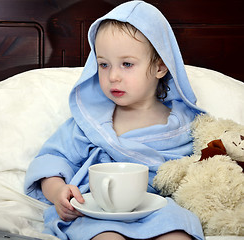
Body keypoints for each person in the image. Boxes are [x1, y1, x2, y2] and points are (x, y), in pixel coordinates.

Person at [24, 1, 205, 239]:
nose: (113, 76)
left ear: (160, 66)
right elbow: (51, 160)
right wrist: (58, 191)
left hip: (157, 208)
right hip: (99, 209)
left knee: (178, 229)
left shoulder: (186, 124)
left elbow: (207, 167)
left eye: (127, 64)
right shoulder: (90, 122)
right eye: (103, 64)